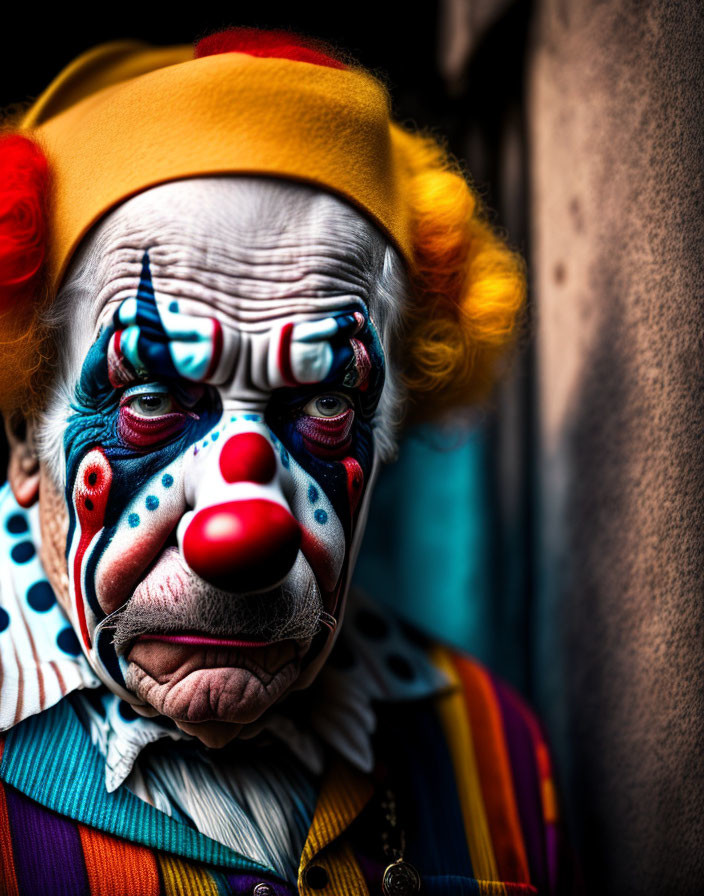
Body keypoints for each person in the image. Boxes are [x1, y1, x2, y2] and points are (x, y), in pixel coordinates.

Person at [0, 28, 563, 896]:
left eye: (327, 404)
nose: (242, 526)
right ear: (22, 428)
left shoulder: (496, 746)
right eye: (150, 397)